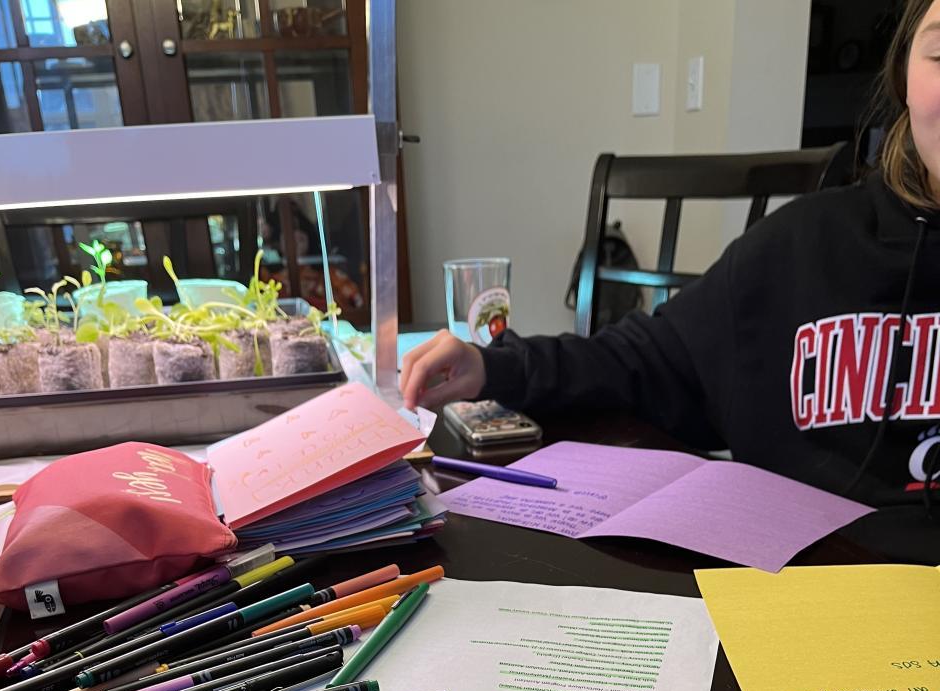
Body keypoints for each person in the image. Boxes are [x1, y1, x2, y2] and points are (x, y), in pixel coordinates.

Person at [401, 0, 940, 530]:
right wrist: (493, 367)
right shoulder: (800, 245)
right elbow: (641, 360)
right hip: (796, 576)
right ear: (903, 75)